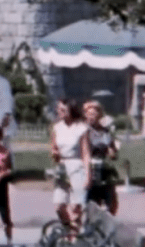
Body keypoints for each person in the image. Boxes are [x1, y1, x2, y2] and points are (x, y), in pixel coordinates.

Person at [50, 98, 90, 231]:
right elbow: (54, 148)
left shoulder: (81, 128)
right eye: (58, 109)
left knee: (76, 206)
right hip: (62, 167)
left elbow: (85, 153)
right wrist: (55, 153)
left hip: (77, 166)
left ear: (71, 111)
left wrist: (88, 175)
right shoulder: (57, 128)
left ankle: (75, 237)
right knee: (59, 205)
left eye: (63, 110)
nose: (59, 112)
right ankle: (68, 229)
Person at [83, 100, 118, 215]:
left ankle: (107, 225)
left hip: (104, 169)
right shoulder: (83, 131)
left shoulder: (105, 131)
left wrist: (112, 151)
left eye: (93, 114)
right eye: (88, 114)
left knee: (111, 202)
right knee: (92, 203)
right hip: (89, 169)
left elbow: (112, 149)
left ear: (99, 115)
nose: (90, 117)